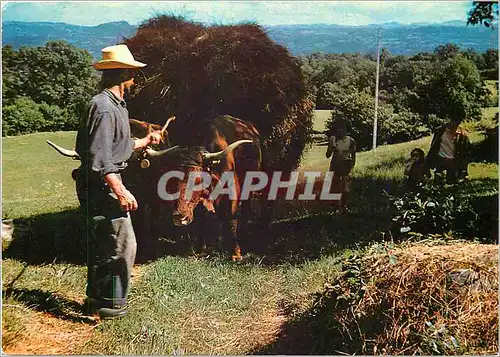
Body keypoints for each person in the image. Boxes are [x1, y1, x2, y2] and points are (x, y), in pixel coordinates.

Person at [75, 44, 163, 319]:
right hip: (102, 184)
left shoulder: (115, 106)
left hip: (102, 181)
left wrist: (144, 141)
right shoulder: (103, 109)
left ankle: (95, 302)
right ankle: (111, 306)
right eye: (133, 73)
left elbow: (117, 146)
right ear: (123, 74)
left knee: (106, 243)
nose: (135, 79)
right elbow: (100, 158)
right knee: (123, 245)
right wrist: (121, 190)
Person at [425, 118, 471, 185]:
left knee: (452, 183)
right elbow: (433, 147)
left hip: (453, 161)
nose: (454, 124)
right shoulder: (440, 131)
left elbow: (466, 153)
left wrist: (463, 169)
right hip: (440, 159)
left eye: (457, 122)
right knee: (438, 183)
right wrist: (428, 163)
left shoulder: (462, 134)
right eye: (453, 121)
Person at [326, 119, 356, 213]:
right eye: (339, 129)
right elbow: (327, 155)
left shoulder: (351, 141)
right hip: (335, 166)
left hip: (346, 166)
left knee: (345, 188)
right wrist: (331, 148)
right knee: (334, 187)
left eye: (343, 129)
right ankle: (334, 208)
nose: (341, 131)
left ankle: (344, 207)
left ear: (346, 130)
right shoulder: (333, 139)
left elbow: (354, 155)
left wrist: (351, 168)